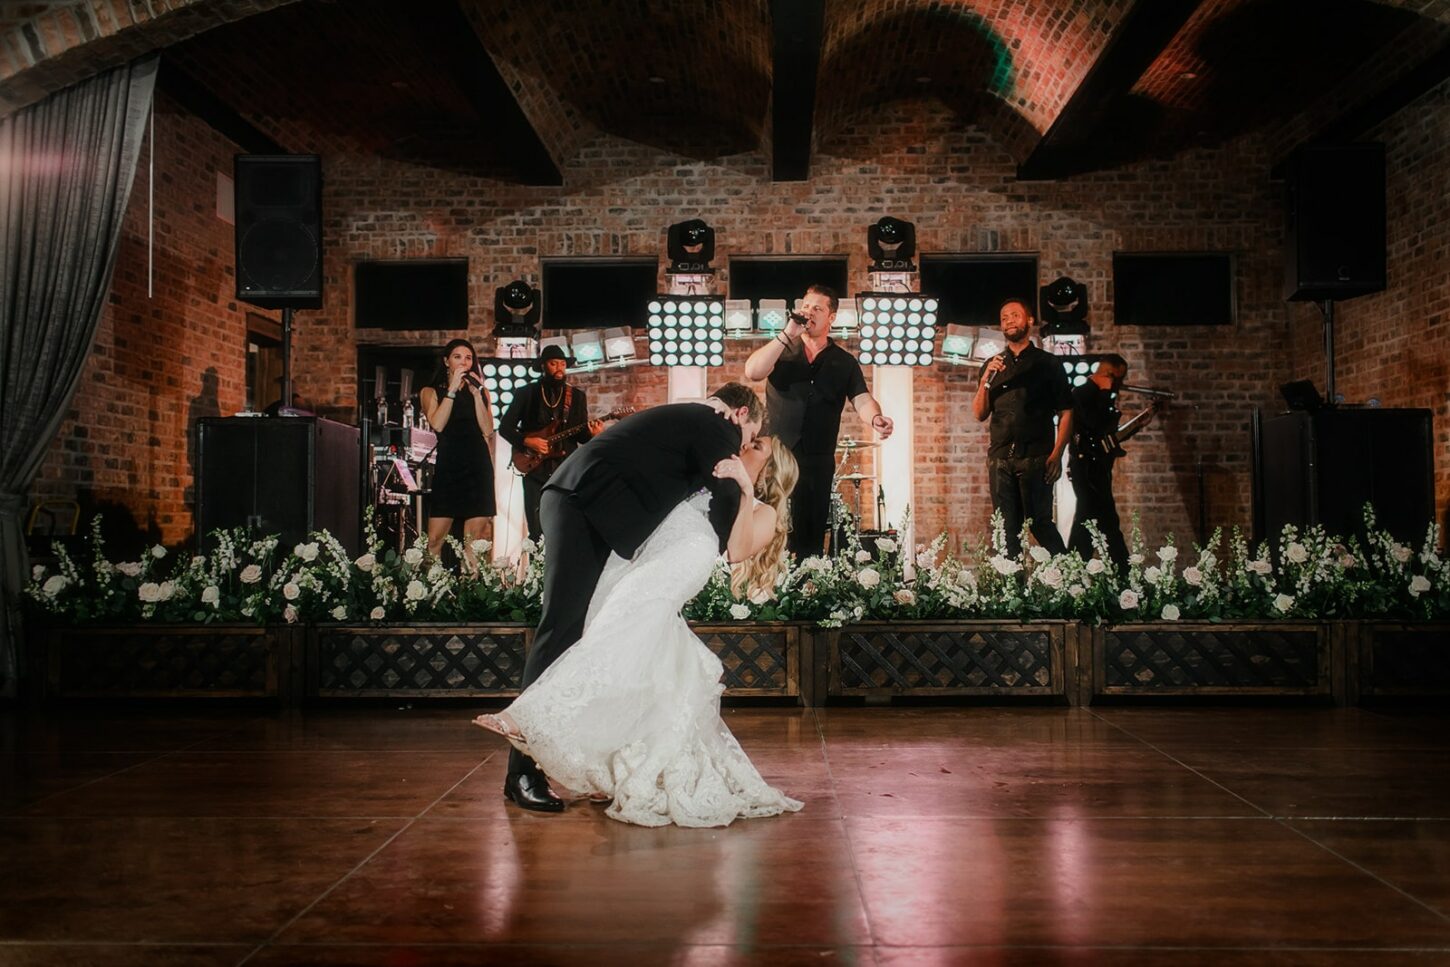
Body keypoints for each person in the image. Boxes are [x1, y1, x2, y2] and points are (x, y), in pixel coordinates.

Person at [473, 431, 801, 827]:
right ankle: (607, 766)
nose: (746, 446)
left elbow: (737, 551)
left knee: (618, 632)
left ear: (770, 469)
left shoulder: (762, 508)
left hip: (679, 566)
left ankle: (527, 719)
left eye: (758, 447)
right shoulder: (707, 478)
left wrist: (746, 491)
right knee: (627, 649)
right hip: (641, 561)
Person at [743, 284, 893, 559]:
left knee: (810, 531)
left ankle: (808, 587)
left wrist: (875, 417)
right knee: (772, 523)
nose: (809, 312)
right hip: (778, 454)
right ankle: (768, 588)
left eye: (817, 308)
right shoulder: (782, 350)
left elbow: (861, 398)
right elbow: (753, 371)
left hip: (818, 457)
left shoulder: (843, 362)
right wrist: (787, 334)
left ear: (831, 317)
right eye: (806, 306)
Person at [972, 297, 1072, 558]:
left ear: (1029, 321)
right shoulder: (992, 365)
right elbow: (979, 413)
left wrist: (1058, 453)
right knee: (1006, 530)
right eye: (1004, 318)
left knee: (1040, 524)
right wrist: (985, 380)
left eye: (1014, 316)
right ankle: (1012, 592)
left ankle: (1072, 580)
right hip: (1000, 459)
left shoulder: (1048, 364)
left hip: (1037, 456)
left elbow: (1066, 411)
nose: (1008, 321)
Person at [497, 344, 604, 542]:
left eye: (562, 364)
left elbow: (580, 436)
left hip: (566, 471)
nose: (559, 368)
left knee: (565, 528)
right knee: (537, 532)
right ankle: (536, 572)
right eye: (553, 364)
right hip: (535, 469)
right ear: (543, 366)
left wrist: (593, 434)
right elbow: (505, 427)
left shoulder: (576, 397)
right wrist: (527, 441)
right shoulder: (526, 393)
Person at [1067, 354, 1156, 574]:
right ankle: (1115, 571)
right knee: (1094, 519)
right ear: (1108, 373)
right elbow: (1094, 425)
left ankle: (1076, 570)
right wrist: (1106, 393)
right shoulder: (1082, 394)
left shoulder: (1100, 396)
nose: (1119, 383)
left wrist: (1136, 425)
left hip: (1099, 467)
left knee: (1095, 520)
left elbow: (1106, 439)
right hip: (1086, 467)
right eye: (1118, 378)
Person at [419, 338, 495, 568]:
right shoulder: (430, 391)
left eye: (468, 358)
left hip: (477, 466)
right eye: (457, 357)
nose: (464, 362)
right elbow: (438, 424)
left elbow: (488, 429)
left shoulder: (481, 392)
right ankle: (430, 595)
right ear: (446, 361)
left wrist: (476, 394)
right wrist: (452, 389)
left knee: (473, 543)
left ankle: (468, 597)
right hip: (449, 467)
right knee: (434, 540)